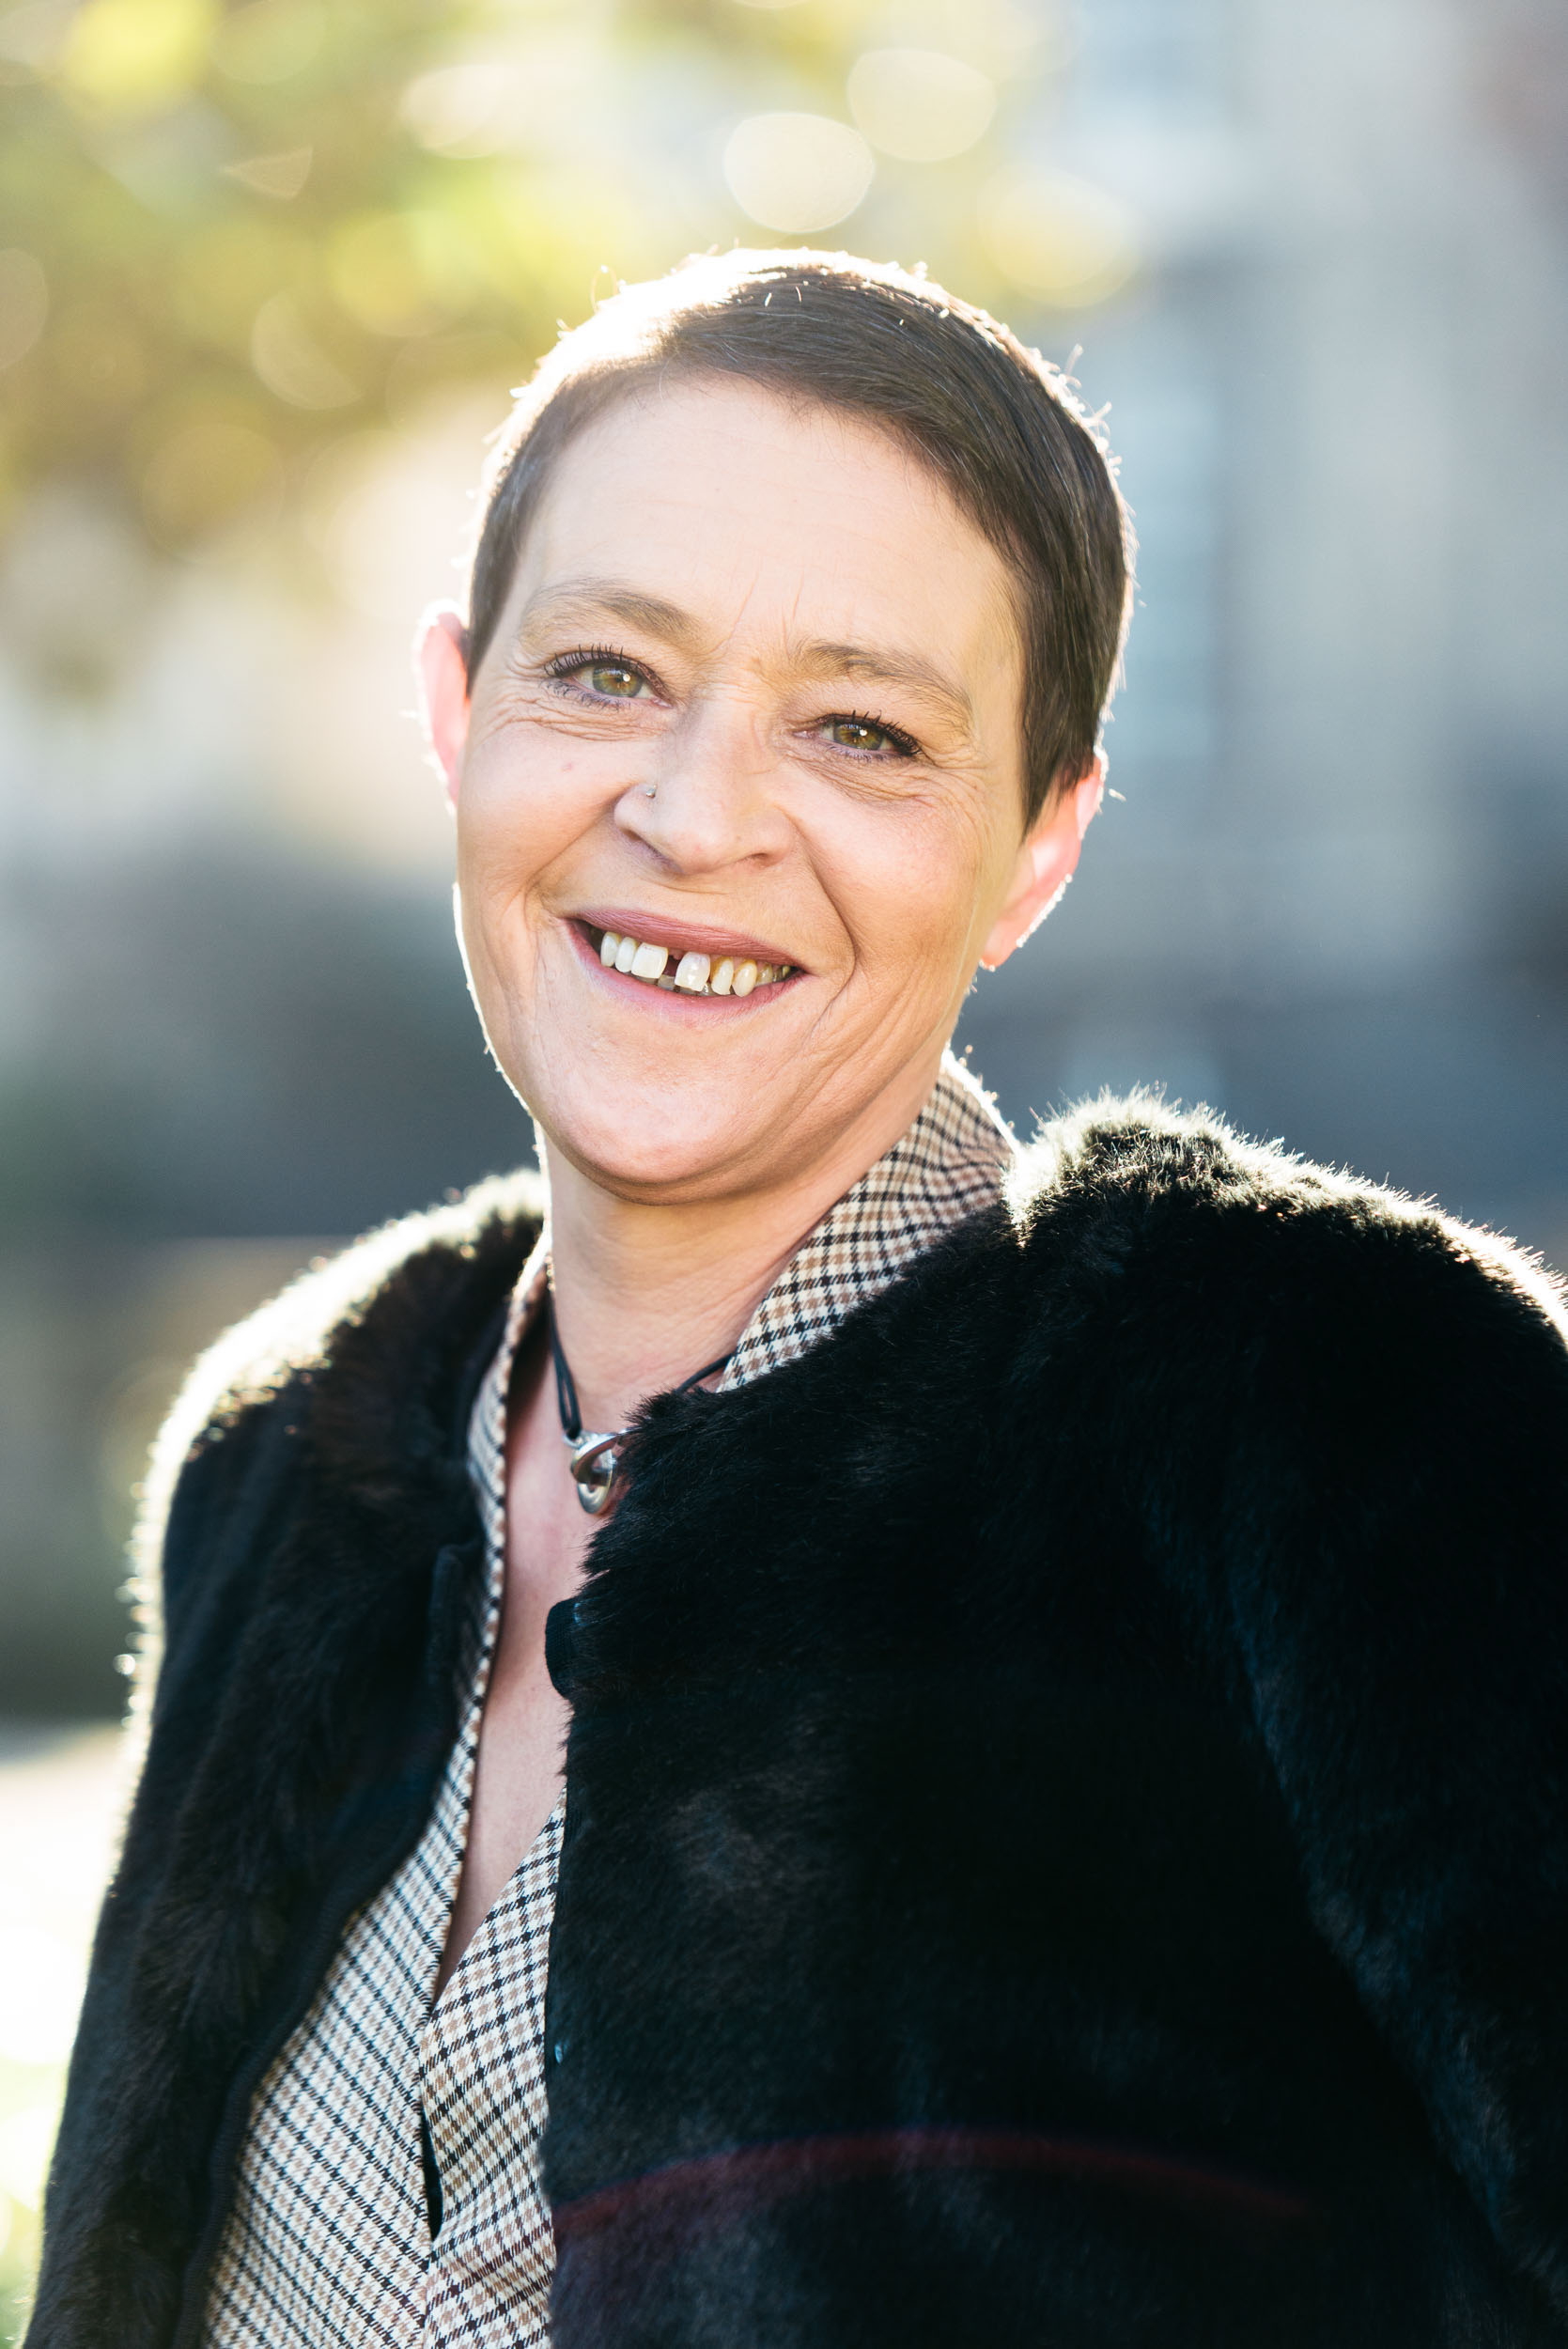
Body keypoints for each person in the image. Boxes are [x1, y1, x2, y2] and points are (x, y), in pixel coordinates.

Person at [27, 250, 1568, 2349]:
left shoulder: (1338, 1421)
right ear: (455, 709)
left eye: (862, 727)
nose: (693, 814)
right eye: (605, 674)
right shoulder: (297, 1450)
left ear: (1036, 846)